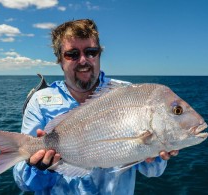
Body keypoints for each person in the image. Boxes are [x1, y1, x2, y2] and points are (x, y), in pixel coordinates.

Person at [13, 19, 179, 194]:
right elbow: (25, 184)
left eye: (91, 52)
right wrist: (39, 167)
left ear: (99, 54)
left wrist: (158, 149)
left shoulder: (126, 93)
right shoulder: (40, 101)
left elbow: (153, 171)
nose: (83, 60)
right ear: (60, 60)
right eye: (72, 54)